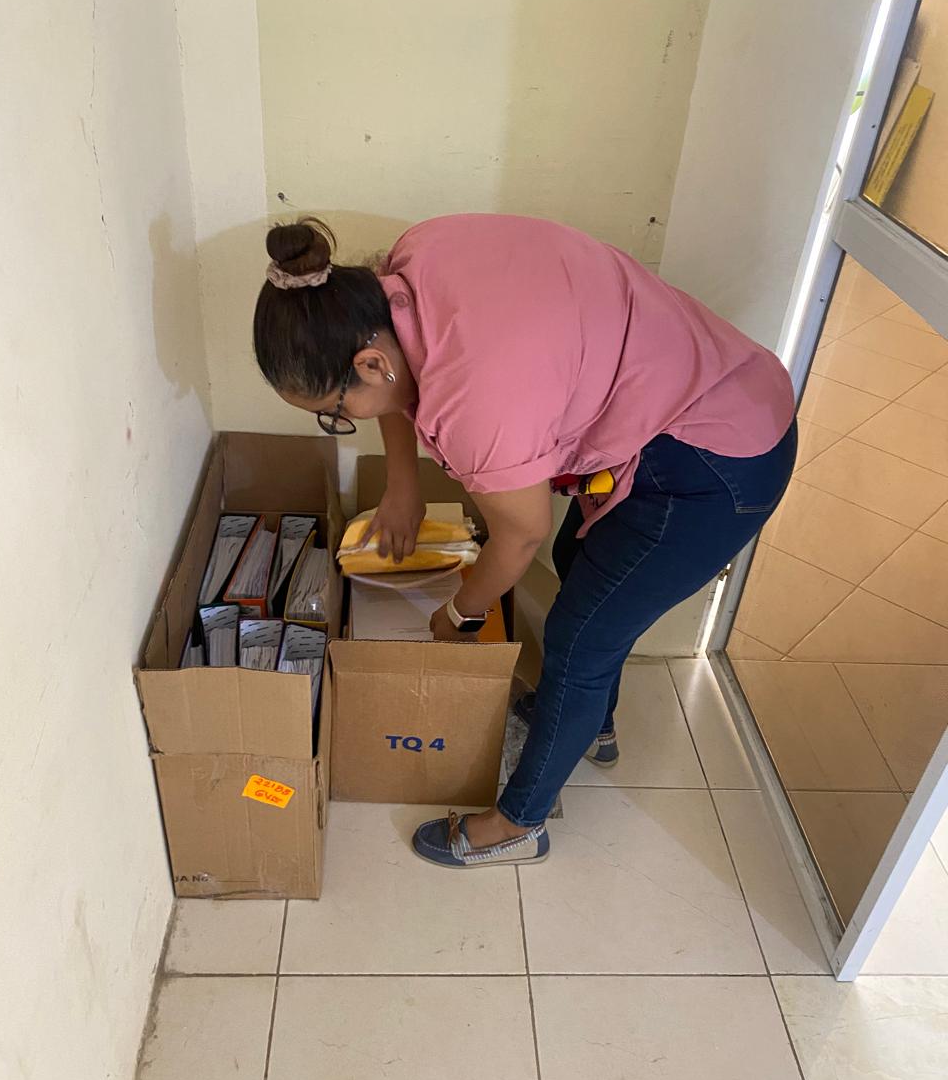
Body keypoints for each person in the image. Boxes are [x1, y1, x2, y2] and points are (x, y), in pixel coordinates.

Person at [253, 213, 796, 870]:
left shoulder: (477, 402)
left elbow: (521, 533)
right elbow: (395, 381)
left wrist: (461, 614)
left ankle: (516, 825)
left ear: (368, 363)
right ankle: (590, 725)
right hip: (688, 392)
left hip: (720, 458)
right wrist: (402, 485)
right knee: (576, 564)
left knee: (580, 638)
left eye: (335, 413)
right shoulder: (407, 267)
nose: (339, 422)